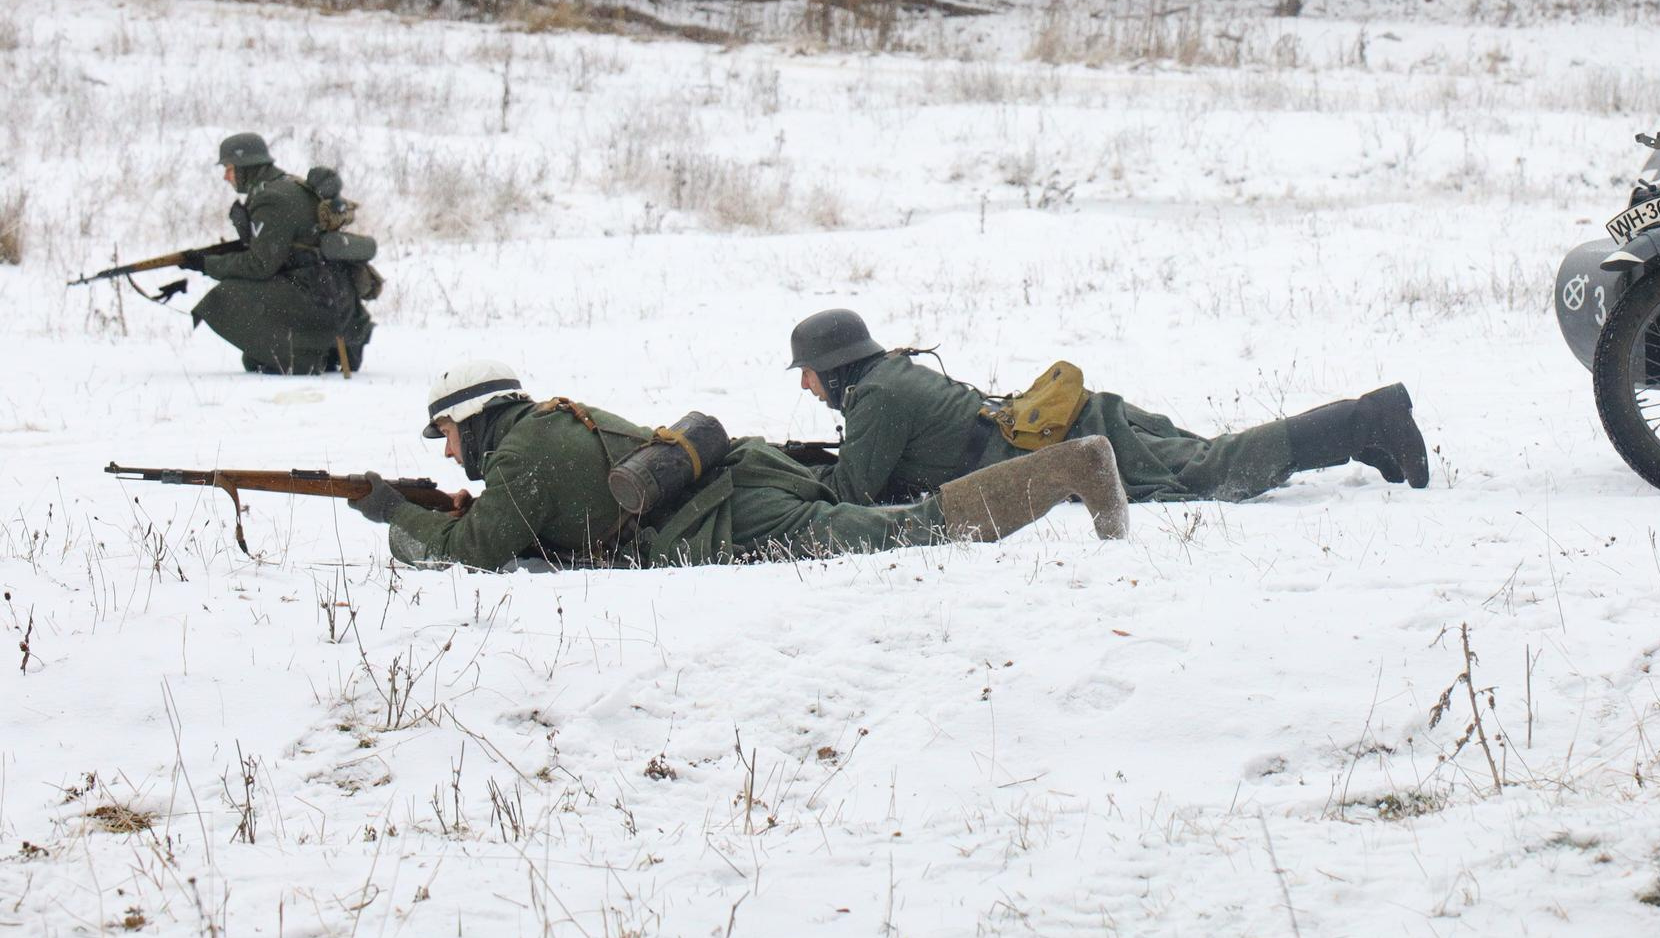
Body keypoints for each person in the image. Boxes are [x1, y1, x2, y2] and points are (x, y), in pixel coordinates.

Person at [347, 361, 1130, 569]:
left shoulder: (518, 457)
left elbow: (478, 553)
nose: (450, 449)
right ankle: (1067, 470)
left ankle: (1068, 469)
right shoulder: (552, 418)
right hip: (744, 471)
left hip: (729, 517)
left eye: (449, 432)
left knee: (913, 529)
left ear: (476, 418)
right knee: (896, 521)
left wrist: (395, 512)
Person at [785, 308, 1431, 507]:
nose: (809, 388)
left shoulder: (875, 399)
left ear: (835, 367)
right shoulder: (891, 374)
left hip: (1071, 445)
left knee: (1210, 472)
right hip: (1077, 419)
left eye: (810, 375)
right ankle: (1359, 435)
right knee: (1211, 456)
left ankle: (1365, 420)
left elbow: (852, 492)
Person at [187, 132, 374, 374]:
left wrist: (207, 265)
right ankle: (309, 350)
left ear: (246, 166)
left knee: (226, 295)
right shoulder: (287, 184)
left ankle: (303, 356)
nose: (226, 176)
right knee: (253, 358)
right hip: (332, 294)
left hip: (316, 294)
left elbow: (260, 265)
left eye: (229, 168)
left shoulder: (271, 199)